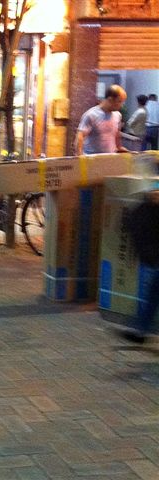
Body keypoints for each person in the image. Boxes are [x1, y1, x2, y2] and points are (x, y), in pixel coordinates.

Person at [118, 190, 159, 344]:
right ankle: (141, 331)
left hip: (153, 259)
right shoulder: (144, 210)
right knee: (153, 294)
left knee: (153, 294)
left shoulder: (144, 210)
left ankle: (141, 331)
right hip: (153, 259)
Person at [74, 84, 127, 155]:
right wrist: (79, 156)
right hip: (92, 158)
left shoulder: (117, 115)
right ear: (110, 100)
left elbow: (117, 133)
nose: (121, 105)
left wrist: (119, 147)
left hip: (110, 157)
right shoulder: (91, 115)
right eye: (119, 101)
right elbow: (80, 136)